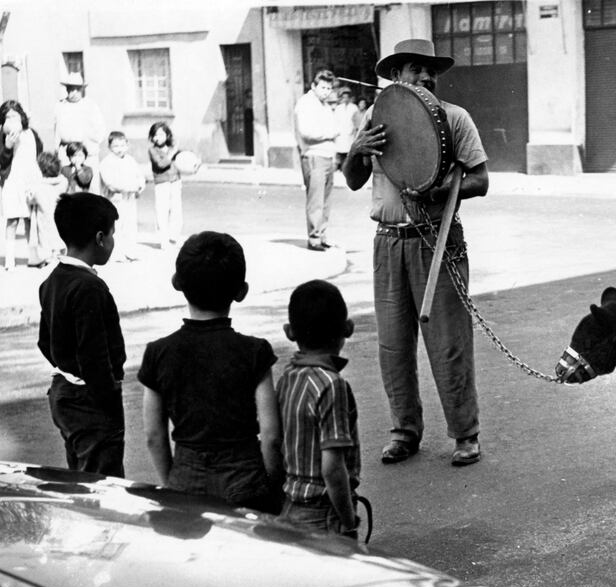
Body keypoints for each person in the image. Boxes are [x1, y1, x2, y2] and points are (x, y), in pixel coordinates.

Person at [343, 38, 489, 467]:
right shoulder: (377, 117)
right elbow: (352, 180)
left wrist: (444, 188)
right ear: (396, 77)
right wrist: (356, 151)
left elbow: (480, 179)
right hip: (388, 242)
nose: (425, 77)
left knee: (449, 344)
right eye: (414, 69)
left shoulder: (456, 118)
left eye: (431, 71)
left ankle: (466, 434)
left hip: (436, 240)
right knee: (393, 346)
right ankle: (404, 430)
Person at [138, 231, 283, 513]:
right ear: (241, 291)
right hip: (245, 478)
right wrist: (272, 487)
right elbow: (271, 435)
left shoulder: (158, 353)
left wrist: (173, 481)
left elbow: (153, 435)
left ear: (177, 283)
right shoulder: (255, 352)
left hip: (186, 475)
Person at [37, 193, 125, 477]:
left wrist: (67, 365)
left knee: (80, 475)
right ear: (100, 238)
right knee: (102, 484)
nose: (113, 242)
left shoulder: (52, 281)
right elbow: (95, 356)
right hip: (90, 401)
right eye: (112, 235)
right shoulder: (90, 288)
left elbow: (43, 341)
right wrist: (110, 394)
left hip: (64, 393)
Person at [277, 280, 361, 539]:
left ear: (290, 332)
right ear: (348, 328)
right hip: (324, 511)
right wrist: (349, 522)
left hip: (290, 504)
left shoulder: (287, 377)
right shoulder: (331, 385)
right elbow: (333, 469)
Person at [294, 69, 338, 251]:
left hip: (327, 156)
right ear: (314, 86)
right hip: (314, 156)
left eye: (329, 88)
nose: (326, 91)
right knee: (316, 201)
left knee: (326, 201)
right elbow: (307, 132)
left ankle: (322, 235)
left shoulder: (324, 105)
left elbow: (335, 126)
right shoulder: (305, 103)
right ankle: (314, 239)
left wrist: (331, 133)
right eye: (323, 87)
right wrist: (329, 134)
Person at [1, 100, 43, 270]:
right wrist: (7, 147)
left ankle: (31, 256)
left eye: (14, 115)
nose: (11, 119)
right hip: (12, 180)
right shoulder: (3, 135)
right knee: (12, 220)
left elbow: (39, 152)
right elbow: (2, 162)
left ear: (22, 116)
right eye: (7, 116)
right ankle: (9, 260)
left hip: (29, 180)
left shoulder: (31, 133)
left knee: (29, 219)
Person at [52, 72, 105, 194]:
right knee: (67, 185)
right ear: (66, 89)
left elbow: (100, 130)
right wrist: (56, 149)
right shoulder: (60, 106)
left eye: (77, 89)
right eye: (70, 89)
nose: (73, 92)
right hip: (66, 152)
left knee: (91, 187)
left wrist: (89, 145)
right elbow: (56, 130)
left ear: (82, 90)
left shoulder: (90, 106)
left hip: (86, 152)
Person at [99, 131, 146, 261]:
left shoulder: (130, 160)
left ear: (127, 145)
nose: (119, 149)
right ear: (109, 147)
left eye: (122, 145)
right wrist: (131, 187)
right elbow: (110, 183)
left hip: (129, 198)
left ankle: (130, 251)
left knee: (130, 225)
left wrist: (140, 185)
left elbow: (139, 175)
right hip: (115, 199)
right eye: (115, 146)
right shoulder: (106, 162)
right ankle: (116, 253)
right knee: (117, 226)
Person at [27, 151, 68, 264]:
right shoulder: (63, 182)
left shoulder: (39, 187)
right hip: (59, 214)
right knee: (58, 234)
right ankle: (58, 254)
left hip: (44, 215)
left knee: (45, 236)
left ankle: (48, 257)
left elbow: (31, 199)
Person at [148, 121, 183, 249]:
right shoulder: (152, 150)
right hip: (162, 183)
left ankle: (174, 237)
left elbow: (184, 159)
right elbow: (161, 164)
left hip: (175, 181)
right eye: (155, 135)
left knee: (176, 210)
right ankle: (163, 239)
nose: (158, 138)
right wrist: (172, 153)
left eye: (161, 134)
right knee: (162, 211)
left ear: (167, 135)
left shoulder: (172, 148)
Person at [333, 88, 358, 171]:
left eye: (347, 97)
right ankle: (340, 167)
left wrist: (353, 130)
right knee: (340, 150)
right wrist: (336, 131)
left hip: (350, 131)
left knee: (348, 150)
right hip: (341, 131)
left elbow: (356, 120)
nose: (345, 99)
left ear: (349, 98)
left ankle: (347, 168)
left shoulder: (354, 107)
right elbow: (335, 120)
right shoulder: (338, 108)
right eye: (344, 97)